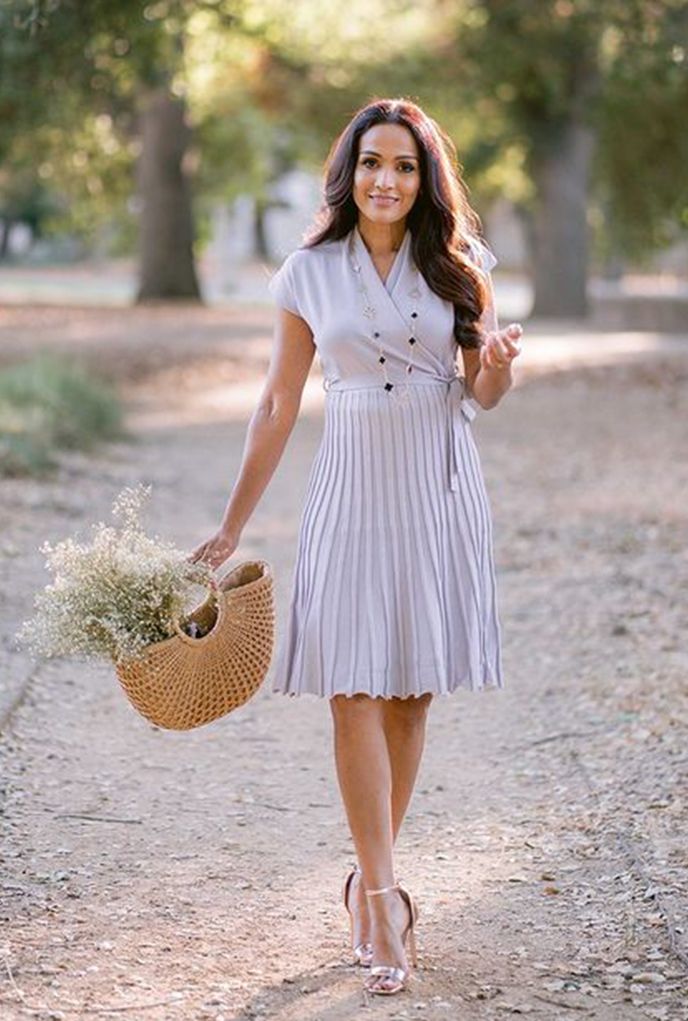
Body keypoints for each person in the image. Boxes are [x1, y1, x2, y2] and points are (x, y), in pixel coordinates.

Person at [189, 97, 523, 997]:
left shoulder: (460, 264)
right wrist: (231, 524)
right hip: (350, 483)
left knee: (410, 692)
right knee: (352, 689)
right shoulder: (309, 272)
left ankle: (372, 879)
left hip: (436, 484)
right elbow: (276, 403)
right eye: (373, 162)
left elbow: (479, 394)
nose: (388, 179)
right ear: (350, 173)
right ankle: (380, 897)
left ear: (426, 181)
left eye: (406, 166)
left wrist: (493, 366)